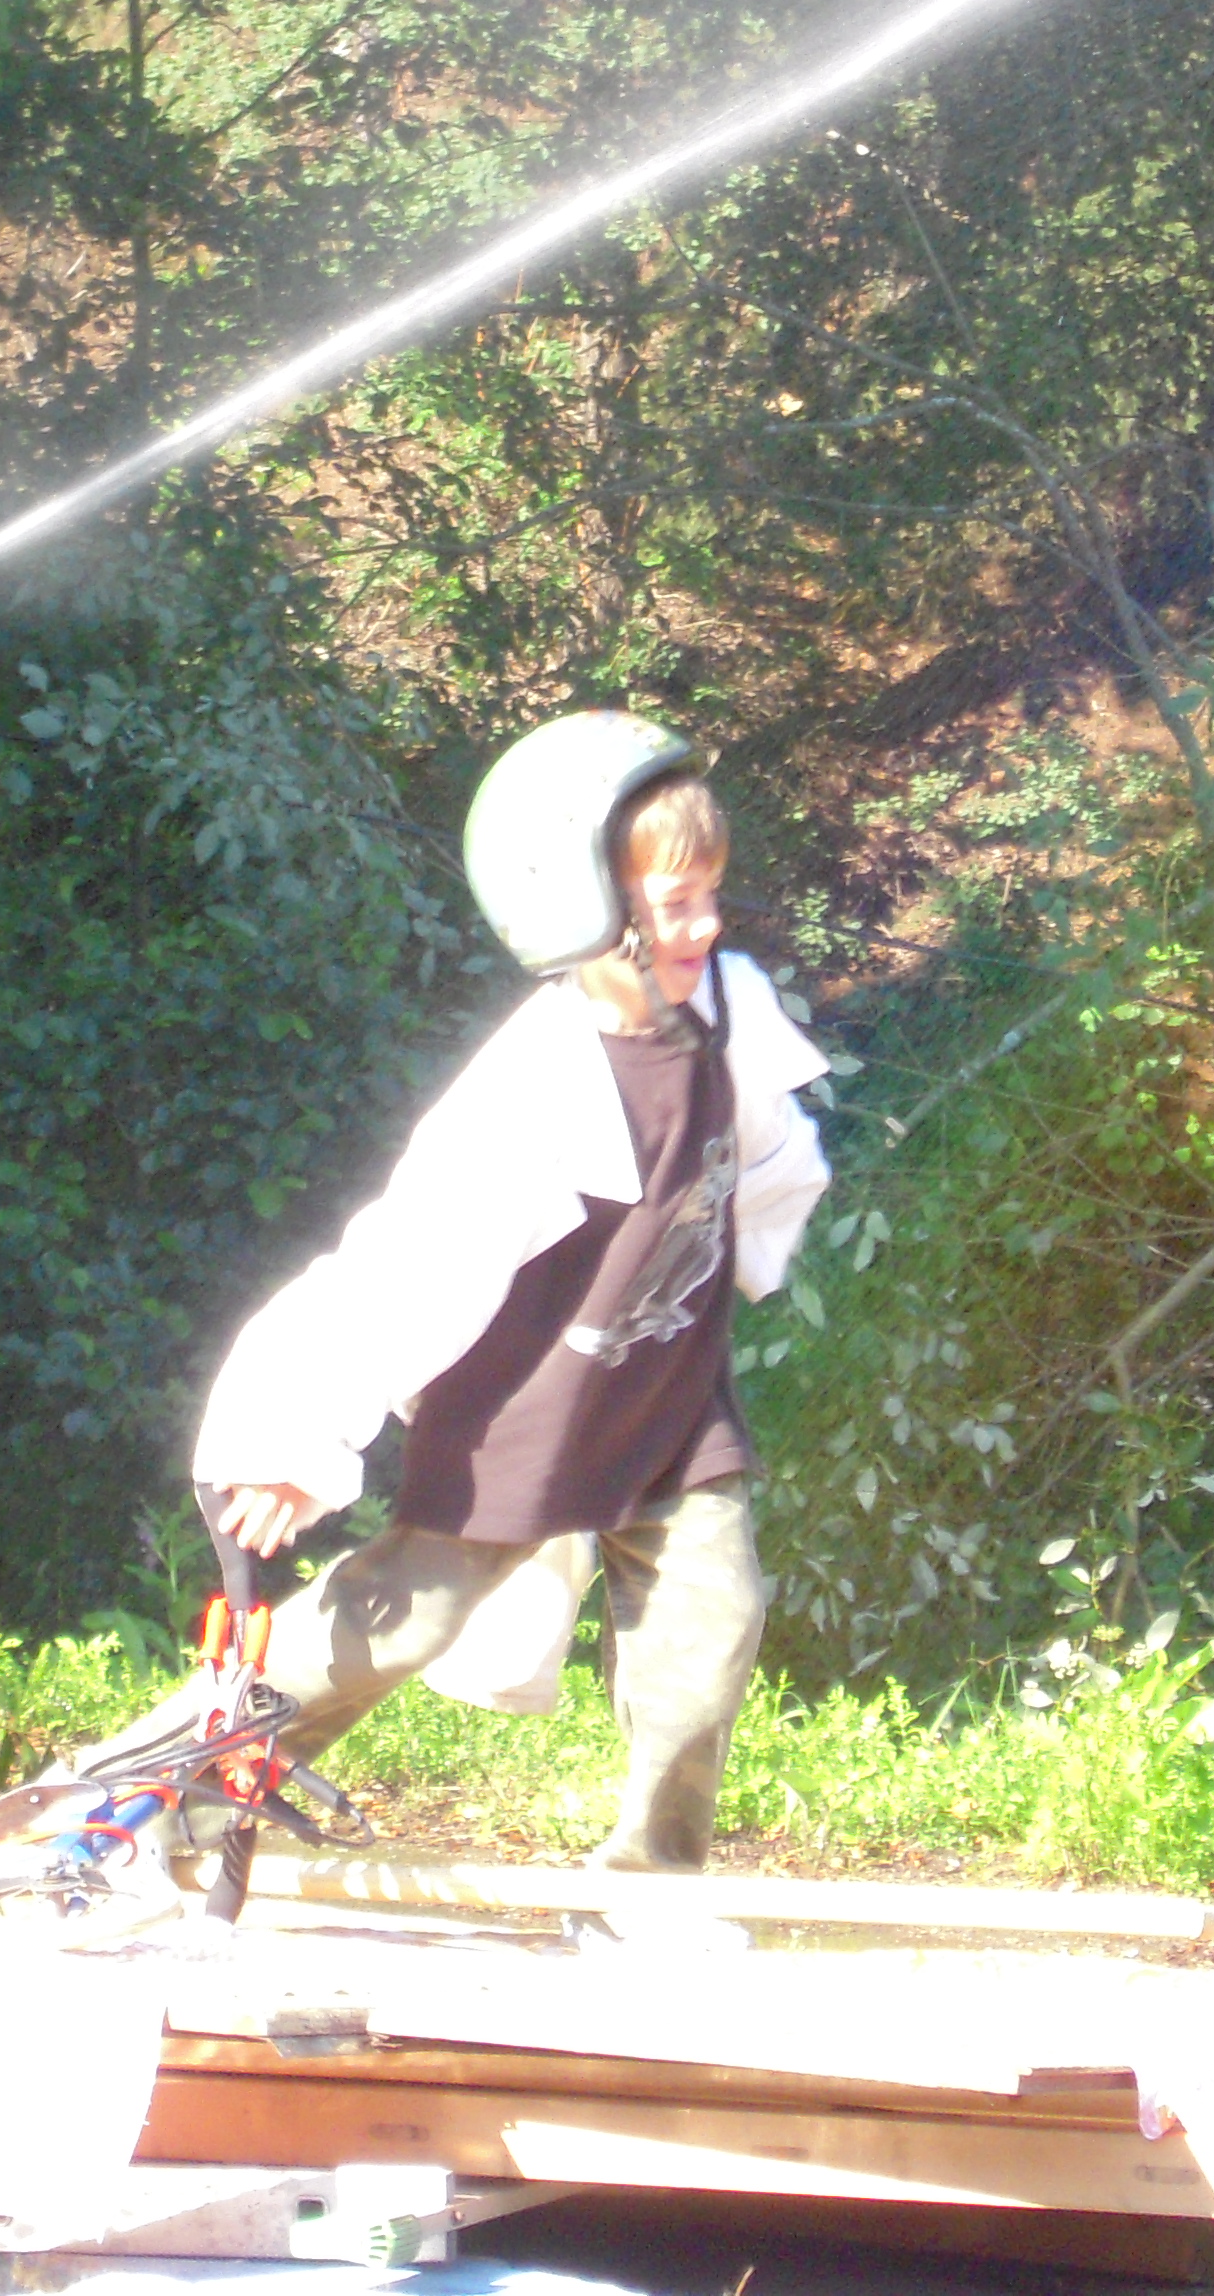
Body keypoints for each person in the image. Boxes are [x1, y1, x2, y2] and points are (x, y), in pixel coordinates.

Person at [183, 710, 833, 1871]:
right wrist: (299, 1432)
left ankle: (647, 1889)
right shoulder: (539, 1080)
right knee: (401, 1624)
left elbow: (771, 1152)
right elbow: (409, 1260)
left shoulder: (727, 1009)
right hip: (525, 1412)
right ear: (586, 904)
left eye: (710, 895)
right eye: (676, 903)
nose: (707, 924)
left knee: (711, 1626)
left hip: (669, 1402)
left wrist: (750, 1250)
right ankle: (173, 1799)